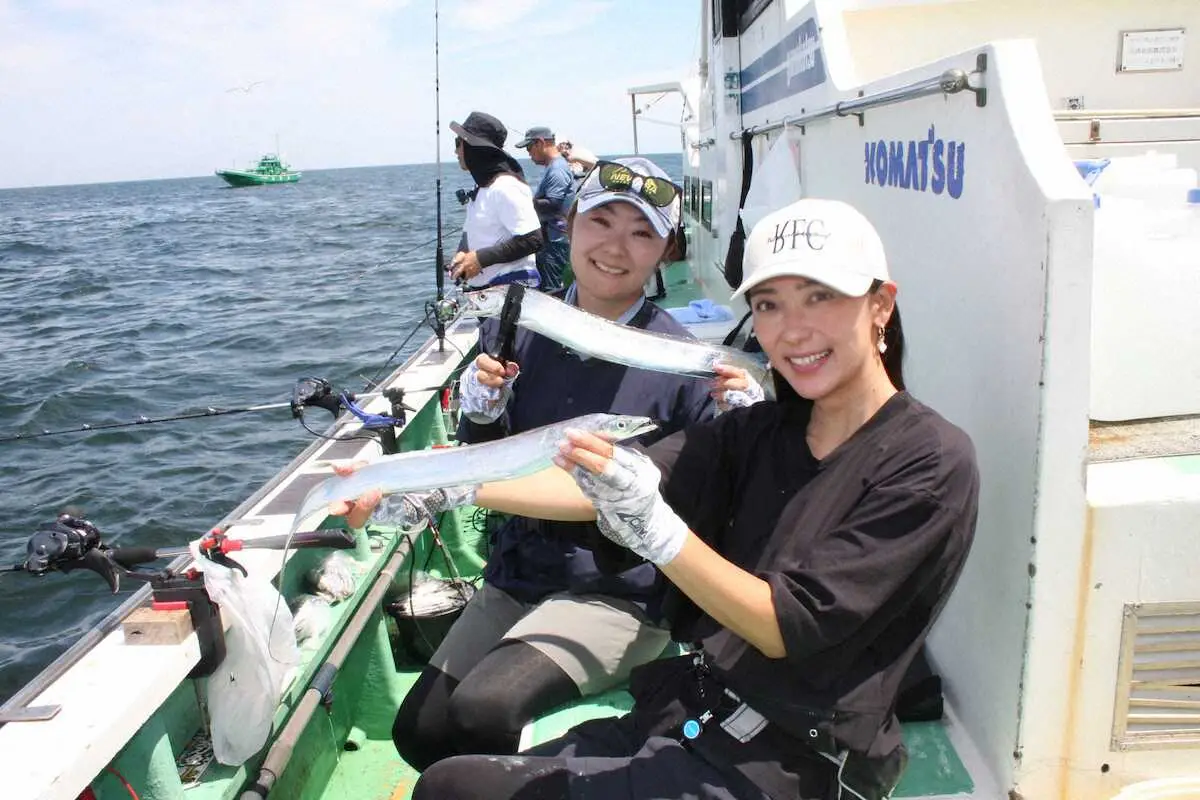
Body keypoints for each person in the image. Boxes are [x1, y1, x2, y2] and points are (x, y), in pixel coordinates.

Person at [339, 197, 980, 799]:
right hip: (699, 712)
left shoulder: (929, 459)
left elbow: (787, 626)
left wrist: (657, 530)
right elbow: (596, 481)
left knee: (459, 786)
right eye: (770, 305)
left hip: (793, 761)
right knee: (452, 776)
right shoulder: (759, 431)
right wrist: (429, 484)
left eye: (822, 297)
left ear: (880, 305)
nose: (794, 329)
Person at [338, 156, 762, 772]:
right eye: (602, 222)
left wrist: (739, 427)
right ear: (569, 223)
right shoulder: (521, 326)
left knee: (484, 708)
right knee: (420, 731)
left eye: (642, 233)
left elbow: (646, 491)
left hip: (620, 591)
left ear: (666, 248)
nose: (616, 248)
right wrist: (482, 411)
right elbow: (493, 443)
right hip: (519, 573)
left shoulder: (683, 362)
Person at [449, 111, 543, 289]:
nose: (456, 151)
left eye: (458, 143)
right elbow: (472, 234)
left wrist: (480, 259)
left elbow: (533, 239)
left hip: (511, 294)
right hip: (488, 297)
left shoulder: (506, 186)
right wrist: (462, 254)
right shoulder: (482, 188)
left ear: (473, 147)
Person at [516, 125, 574, 289]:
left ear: (540, 143)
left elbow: (553, 204)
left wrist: (523, 200)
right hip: (552, 241)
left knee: (552, 291)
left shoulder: (557, 169)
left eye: (529, 147)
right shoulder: (555, 166)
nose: (528, 153)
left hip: (556, 244)